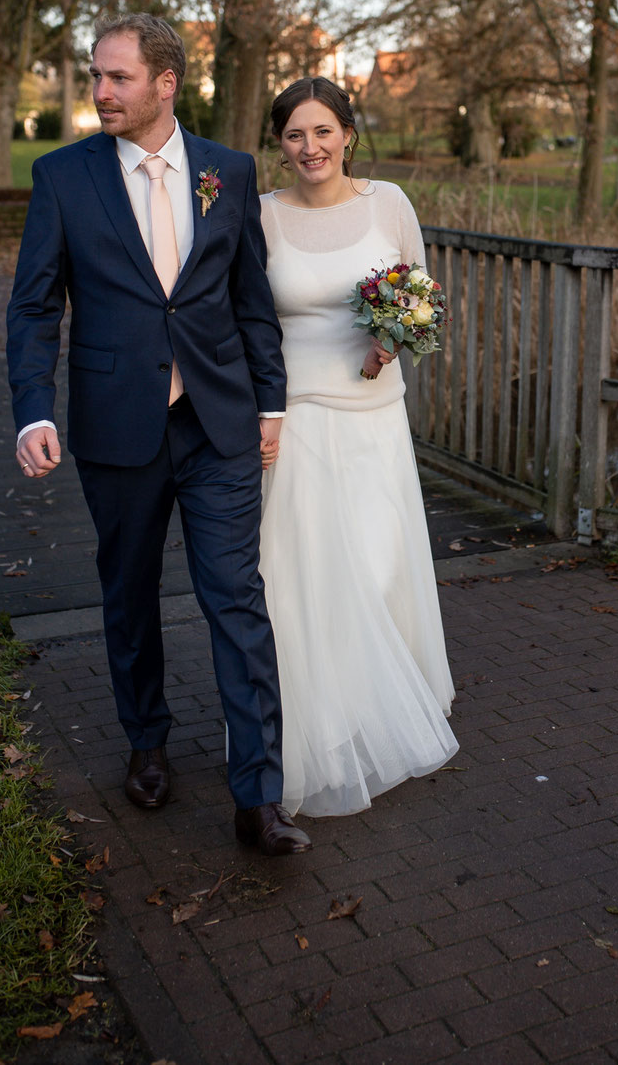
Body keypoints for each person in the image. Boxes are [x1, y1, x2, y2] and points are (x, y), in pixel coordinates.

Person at [6, 13, 311, 857]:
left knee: (236, 602)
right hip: (117, 427)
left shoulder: (229, 172)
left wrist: (271, 404)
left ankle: (259, 793)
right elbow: (35, 304)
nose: (100, 92)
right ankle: (147, 743)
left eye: (117, 78)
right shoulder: (64, 177)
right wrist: (33, 407)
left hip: (218, 424)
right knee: (129, 597)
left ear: (166, 82)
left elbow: (251, 298)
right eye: (96, 76)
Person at [257, 76, 458, 817]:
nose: (310, 147)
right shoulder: (263, 218)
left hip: (373, 414)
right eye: (294, 136)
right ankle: (323, 725)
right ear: (280, 146)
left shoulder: (389, 204)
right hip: (297, 416)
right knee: (306, 576)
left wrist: (393, 338)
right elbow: (248, 320)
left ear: (348, 133)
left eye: (322, 132)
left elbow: (423, 297)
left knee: (374, 565)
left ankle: (385, 707)